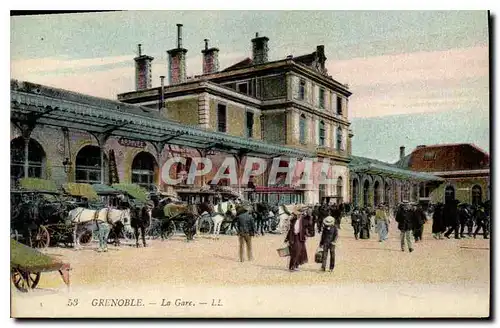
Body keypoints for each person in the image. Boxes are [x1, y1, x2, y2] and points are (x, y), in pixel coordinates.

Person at [284, 206, 309, 272]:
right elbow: (290, 230)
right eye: (298, 214)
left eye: (300, 214)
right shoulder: (293, 220)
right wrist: (287, 239)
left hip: (300, 237)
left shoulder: (303, 220)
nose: (299, 215)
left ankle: (296, 265)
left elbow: (309, 221)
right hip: (294, 237)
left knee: (300, 251)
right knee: (295, 251)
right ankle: (292, 266)